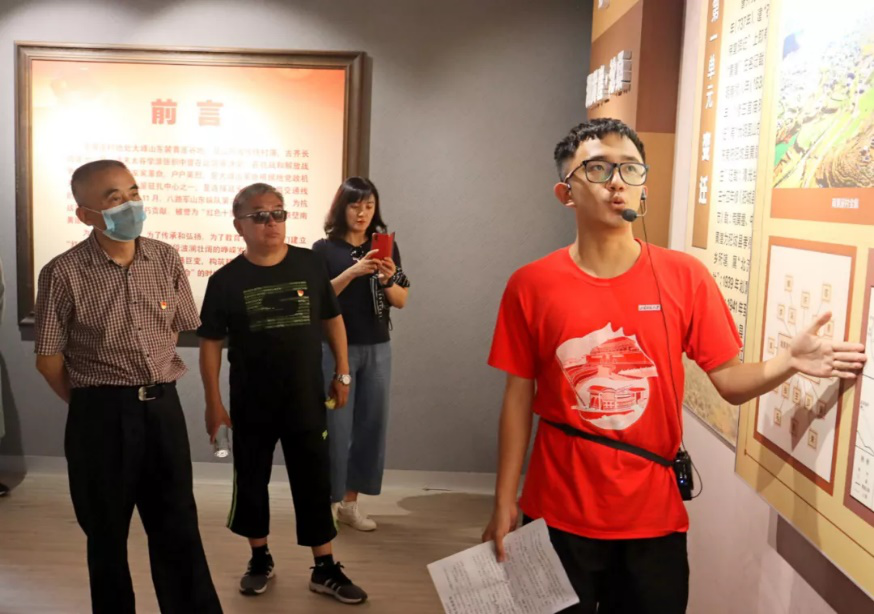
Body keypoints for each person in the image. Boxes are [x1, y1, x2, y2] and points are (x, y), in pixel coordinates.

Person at [481, 118, 867, 614]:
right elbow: (518, 398)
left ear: (644, 185)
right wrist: (504, 500)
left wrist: (788, 361)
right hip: (556, 512)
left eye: (630, 168)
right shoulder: (531, 285)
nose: (616, 182)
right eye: (597, 169)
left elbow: (729, 381)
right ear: (565, 193)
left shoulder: (684, 277)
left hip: (652, 519)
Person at [33, 160, 222, 614]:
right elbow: (48, 359)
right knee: (106, 534)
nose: (130, 204)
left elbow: (177, 326)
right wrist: (92, 402)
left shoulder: (165, 257)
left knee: (178, 525)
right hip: (100, 415)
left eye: (133, 192)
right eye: (114, 198)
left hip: (162, 408)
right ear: (86, 214)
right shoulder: (63, 272)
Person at [198, 182, 368, 604]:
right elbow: (211, 344)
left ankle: (324, 567)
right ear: (239, 225)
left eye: (278, 213)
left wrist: (343, 373)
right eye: (259, 216)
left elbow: (332, 319)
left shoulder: (309, 264)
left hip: (305, 399)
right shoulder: (224, 281)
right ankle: (259, 559)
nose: (271, 222)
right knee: (251, 480)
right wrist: (213, 402)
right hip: (251, 402)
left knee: (313, 481)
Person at [312, 177, 410, 532]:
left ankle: (350, 505)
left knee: (371, 426)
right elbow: (318, 298)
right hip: (335, 349)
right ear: (342, 208)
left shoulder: (385, 247)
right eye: (356, 205)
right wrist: (353, 272)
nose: (363, 213)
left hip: (378, 347)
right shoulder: (324, 249)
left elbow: (401, 300)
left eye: (369, 206)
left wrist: (386, 279)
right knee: (334, 428)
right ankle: (327, 501)